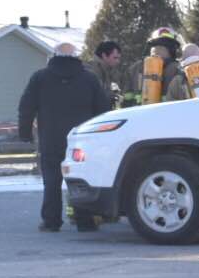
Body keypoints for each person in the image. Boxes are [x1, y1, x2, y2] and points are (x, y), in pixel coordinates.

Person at [18, 42, 110, 232]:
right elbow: (103, 109)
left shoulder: (40, 78)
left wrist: (25, 133)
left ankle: (51, 221)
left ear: (54, 55)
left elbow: (26, 107)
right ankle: (84, 220)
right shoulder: (89, 79)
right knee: (81, 178)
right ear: (76, 56)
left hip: (51, 138)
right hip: (82, 141)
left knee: (51, 180)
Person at [137, 27, 190, 103]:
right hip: (172, 112)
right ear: (173, 50)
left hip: (143, 113)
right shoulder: (179, 69)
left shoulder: (136, 68)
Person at [87, 40, 124, 108]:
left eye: (119, 58)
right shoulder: (92, 70)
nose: (118, 61)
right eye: (115, 58)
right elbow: (96, 95)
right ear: (104, 55)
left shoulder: (107, 69)